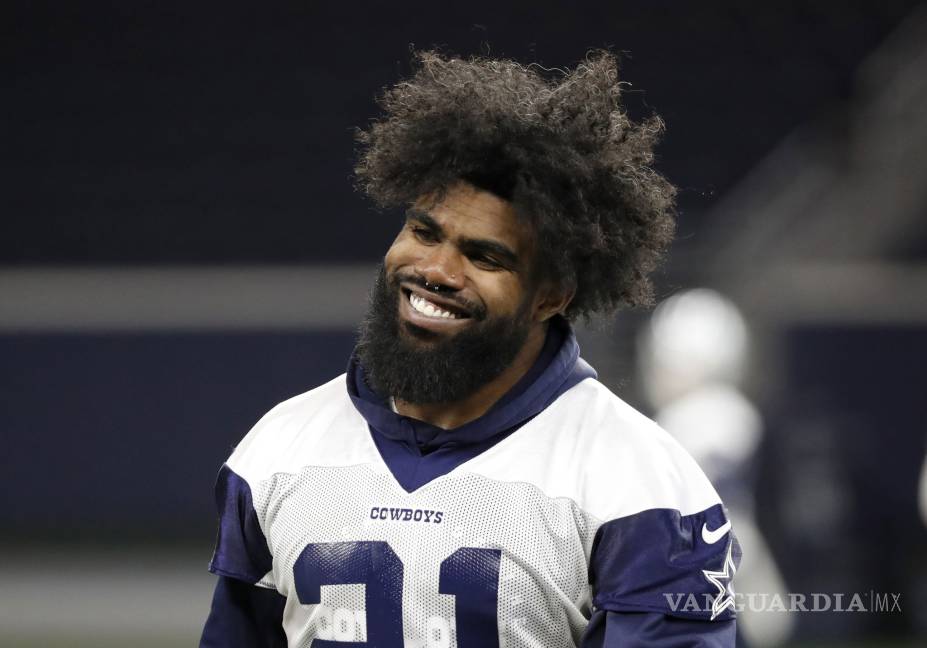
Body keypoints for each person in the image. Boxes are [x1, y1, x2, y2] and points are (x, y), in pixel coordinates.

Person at [200, 50, 739, 647]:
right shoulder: (279, 449)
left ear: (551, 297)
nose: (435, 270)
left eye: (484, 257)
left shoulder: (640, 485)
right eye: (423, 232)